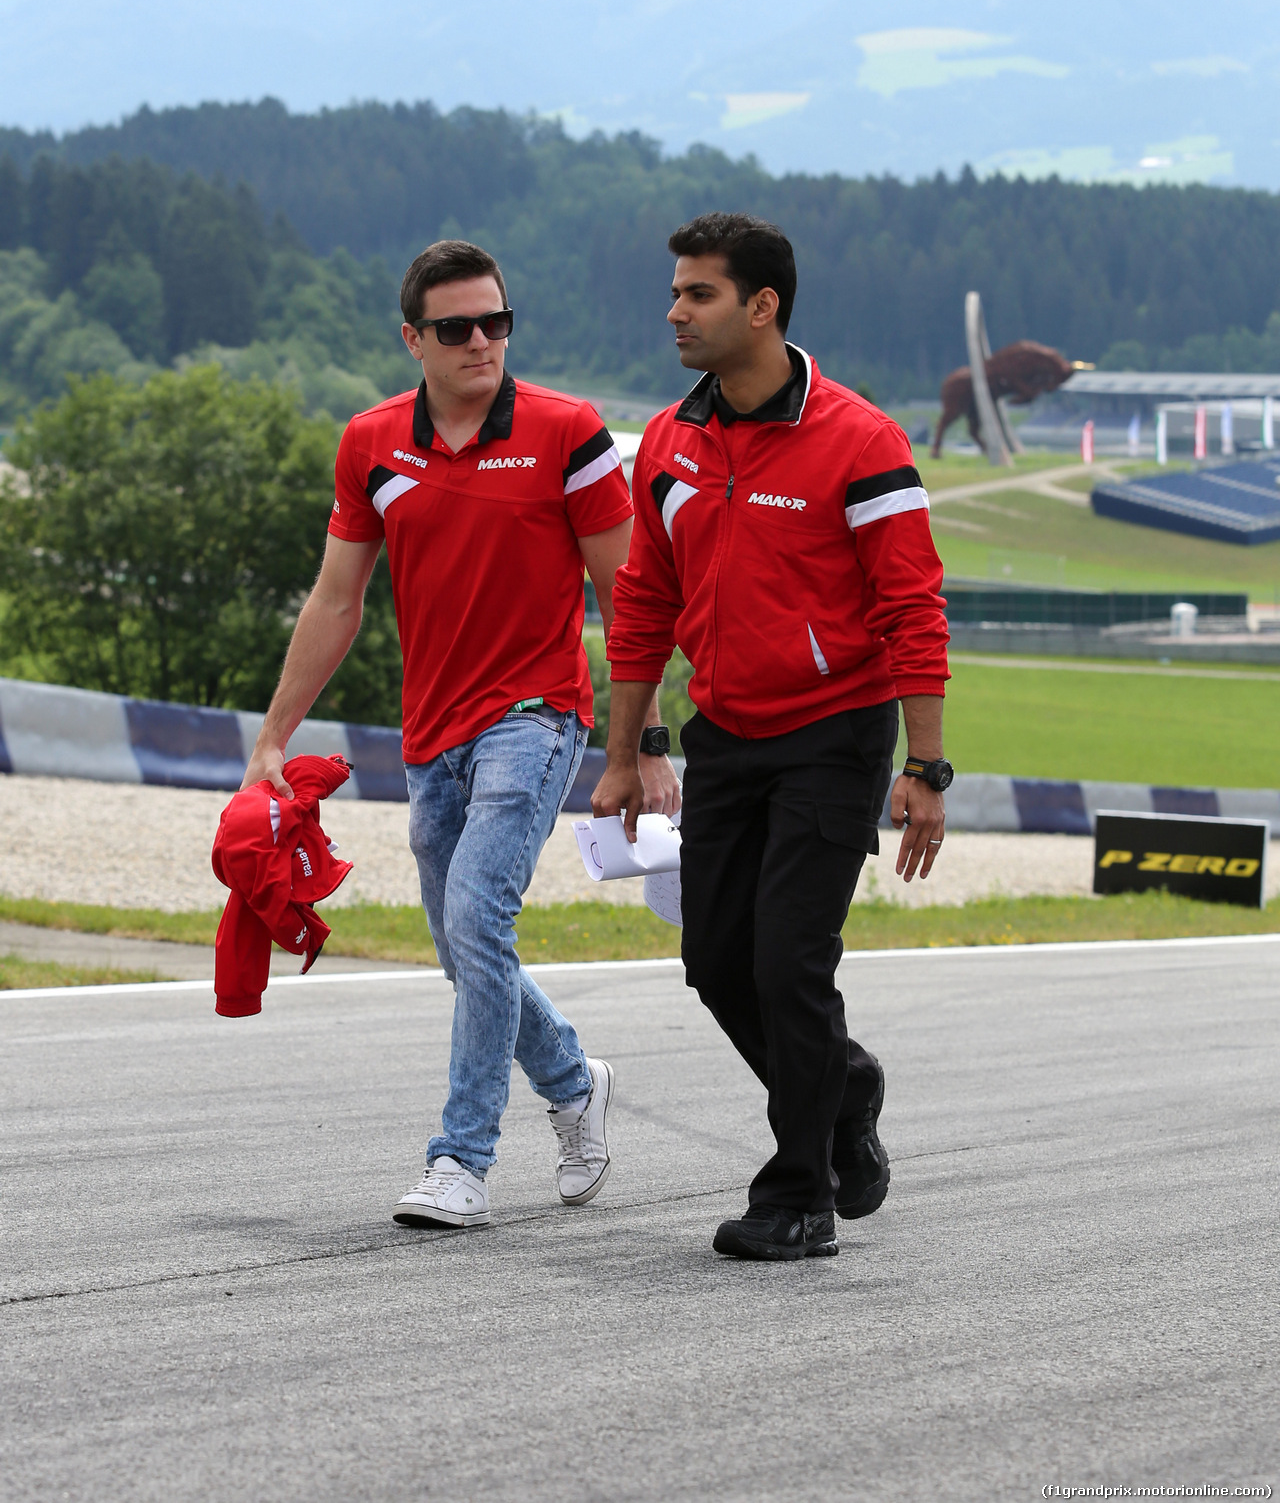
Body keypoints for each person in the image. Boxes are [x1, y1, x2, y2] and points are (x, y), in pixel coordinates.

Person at [243, 238, 679, 1230]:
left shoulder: (565, 431)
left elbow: (628, 598)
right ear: (414, 339)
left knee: (479, 915)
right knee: (461, 943)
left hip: (538, 713)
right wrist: (274, 734)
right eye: (457, 327)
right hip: (429, 729)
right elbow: (336, 599)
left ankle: (460, 1161)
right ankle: (574, 1082)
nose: (482, 340)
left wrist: (642, 743)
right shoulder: (370, 444)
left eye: (497, 321)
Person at [593, 212, 951, 1263]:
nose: (673, 310)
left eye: (696, 293)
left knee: (790, 959)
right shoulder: (668, 439)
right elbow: (641, 601)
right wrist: (626, 749)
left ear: (761, 306)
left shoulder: (858, 437)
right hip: (727, 733)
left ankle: (797, 1194)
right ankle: (840, 1083)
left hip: (837, 732)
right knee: (715, 960)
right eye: (673, 291)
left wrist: (923, 768)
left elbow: (912, 610)